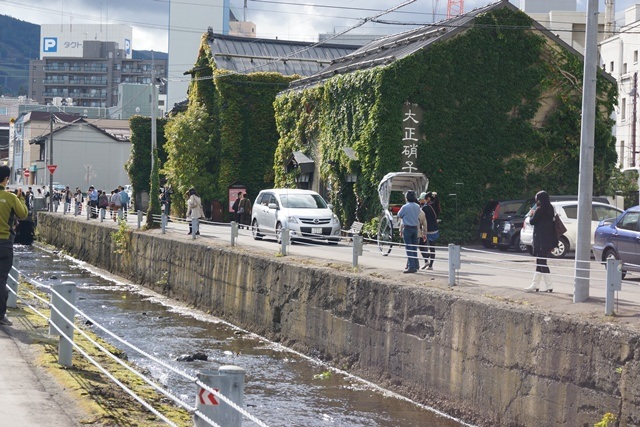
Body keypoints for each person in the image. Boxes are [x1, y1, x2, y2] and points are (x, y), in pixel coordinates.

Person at [0, 166, 29, 325]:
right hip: (3, 243)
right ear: (6, 179)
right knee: (1, 279)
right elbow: (23, 214)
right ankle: (0, 316)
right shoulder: (10, 197)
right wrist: (21, 198)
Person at [524, 190, 557, 293]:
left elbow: (532, 221)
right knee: (540, 261)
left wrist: (531, 214)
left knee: (542, 262)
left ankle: (549, 285)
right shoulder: (550, 209)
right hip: (548, 238)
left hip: (540, 238)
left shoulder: (539, 210)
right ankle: (535, 285)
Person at [397, 190, 422, 273]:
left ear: (407, 197)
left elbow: (399, 215)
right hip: (415, 228)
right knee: (414, 248)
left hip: (407, 228)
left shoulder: (405, 207)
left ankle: (412, 267)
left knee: (409, 248)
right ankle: (416, 264)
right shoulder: (417, 206)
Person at [418, 191, 441, 270]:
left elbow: (421, 218)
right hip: (435, 229)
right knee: (432, 247)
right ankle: (431, 265)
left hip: (427, 230)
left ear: (427, 199)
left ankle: (426, 259)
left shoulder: (424, 208)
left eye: (424, 199)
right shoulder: (435, 206)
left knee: (421, 245)